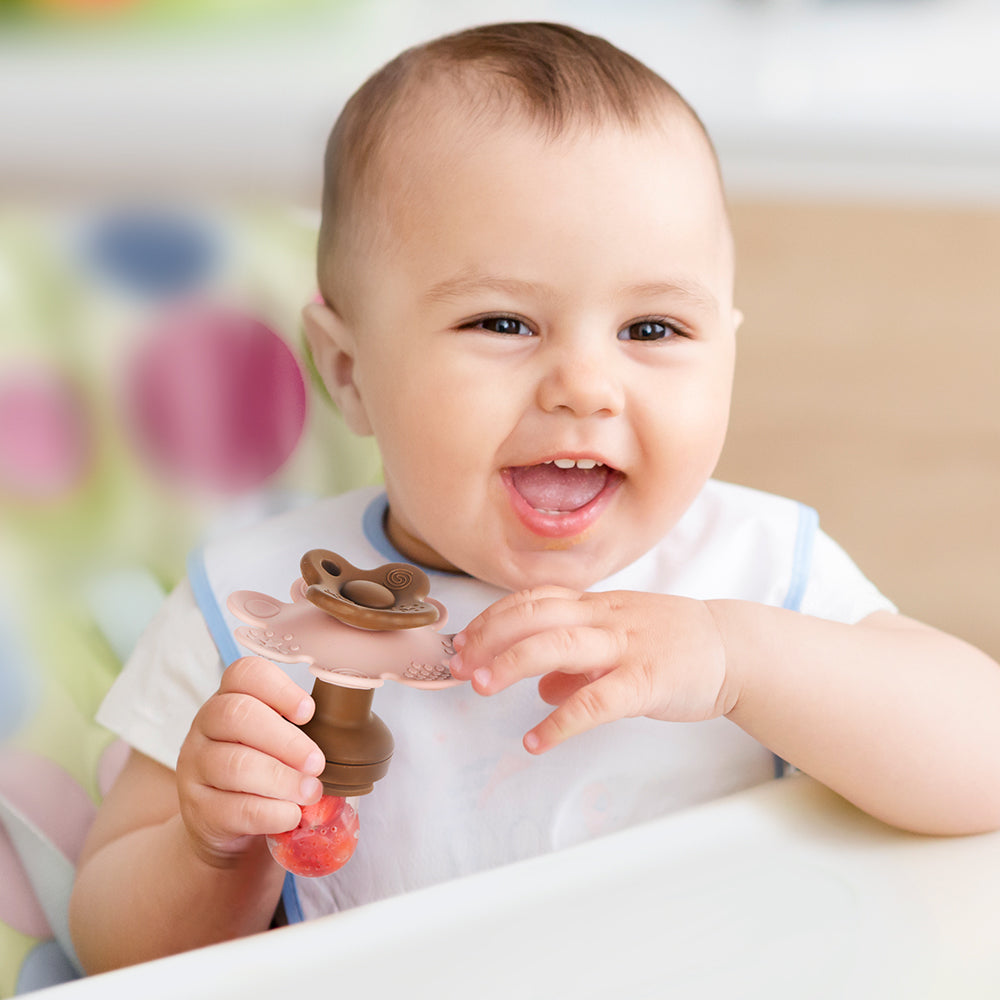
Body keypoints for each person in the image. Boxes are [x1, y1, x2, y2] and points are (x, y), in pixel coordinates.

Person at [70, 21, 1000, 973]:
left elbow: (984, 761)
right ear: (349, 370)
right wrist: (209, 847)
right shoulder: (258, 617)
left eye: (653, 326)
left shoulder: (763, 573)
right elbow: (107, 949)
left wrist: (737, 658)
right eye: (504, 321)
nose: (584, 385)